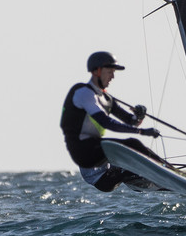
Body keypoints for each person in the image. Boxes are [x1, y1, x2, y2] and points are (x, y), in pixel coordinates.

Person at [60, 52, 167, 192]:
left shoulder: (106, 98)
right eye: (109, 72)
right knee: (130, 144)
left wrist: (139, 116)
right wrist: (141, 131)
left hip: (110, 169)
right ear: (97, 71)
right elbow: (106, 122)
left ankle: (166, 175)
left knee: (133, 152)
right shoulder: (84, 93)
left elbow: (130, 121)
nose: (113, 76)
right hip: (94, 169)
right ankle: (166, 172)